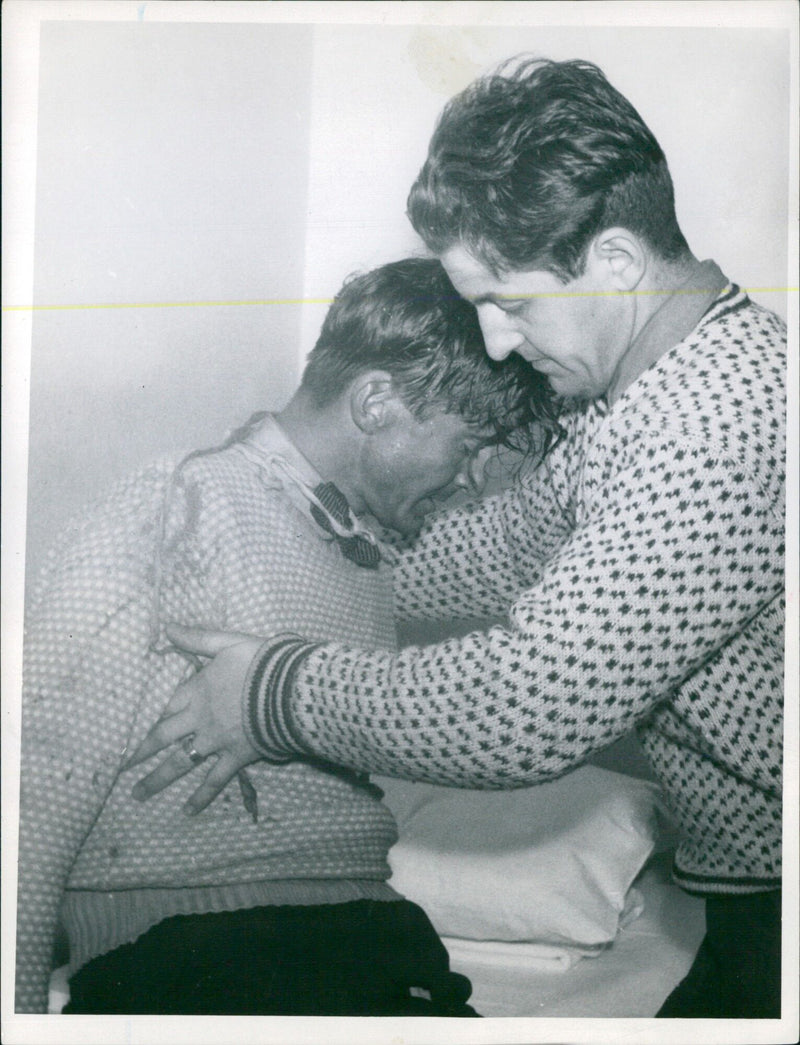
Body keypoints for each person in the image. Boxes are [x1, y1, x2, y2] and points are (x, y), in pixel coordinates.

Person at [128, 58, 786, 1019]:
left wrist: (270, 693)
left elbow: (529, 705)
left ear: (615, 263)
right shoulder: (642, 397)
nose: (494, 342)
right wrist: (285, 525)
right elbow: (491, 550)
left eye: (509, 302)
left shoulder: (716, 421)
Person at [14, 257, 557, 1015]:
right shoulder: (181, 501)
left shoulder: (363, 547)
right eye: (467, 447)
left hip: (381, 939)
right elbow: (31, 790)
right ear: (375, 400)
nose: (472, 481)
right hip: (211, 948)